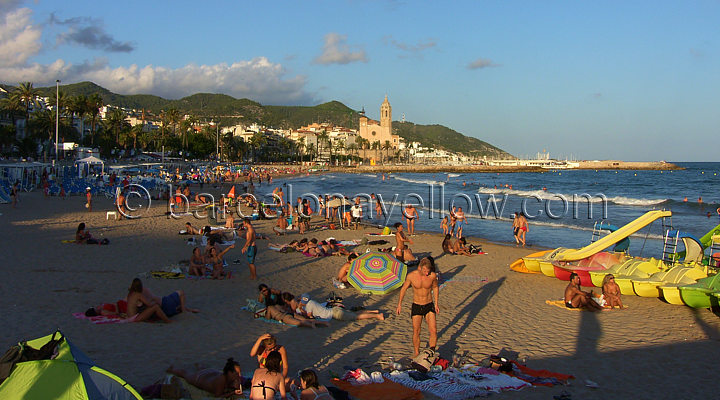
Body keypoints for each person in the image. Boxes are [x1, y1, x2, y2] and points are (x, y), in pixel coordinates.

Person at [396, 257, 440, 357]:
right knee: (416, 330)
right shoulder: (411, 276)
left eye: (428, 271)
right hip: (417, 305)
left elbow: (436, 287)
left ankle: (432, 351)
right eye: (424, 271)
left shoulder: (432, 276)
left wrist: (436, 303)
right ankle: (416, 352)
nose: (426, 273)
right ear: (420, 268)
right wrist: (399, 304)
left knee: (433, 329)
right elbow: (403, 289)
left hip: (429, 305)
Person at [167, 358, 244, 398]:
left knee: (204, 370)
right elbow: (217, 396)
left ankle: (200, 366)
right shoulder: (221, 380)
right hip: (200, 378)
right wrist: (233, 392)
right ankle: (171, 370)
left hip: (211, 373)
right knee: (186, 374)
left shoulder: (232, 377)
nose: (239, 375)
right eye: (237, 373)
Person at [295, 293, 384, 321]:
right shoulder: (312, 302)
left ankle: (377, 315)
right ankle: (374, 311)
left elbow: (309, 316)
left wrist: (300, 310)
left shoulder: (309, 305)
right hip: (335, 310)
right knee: (353, 313)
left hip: (335, 314)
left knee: (356, 317)